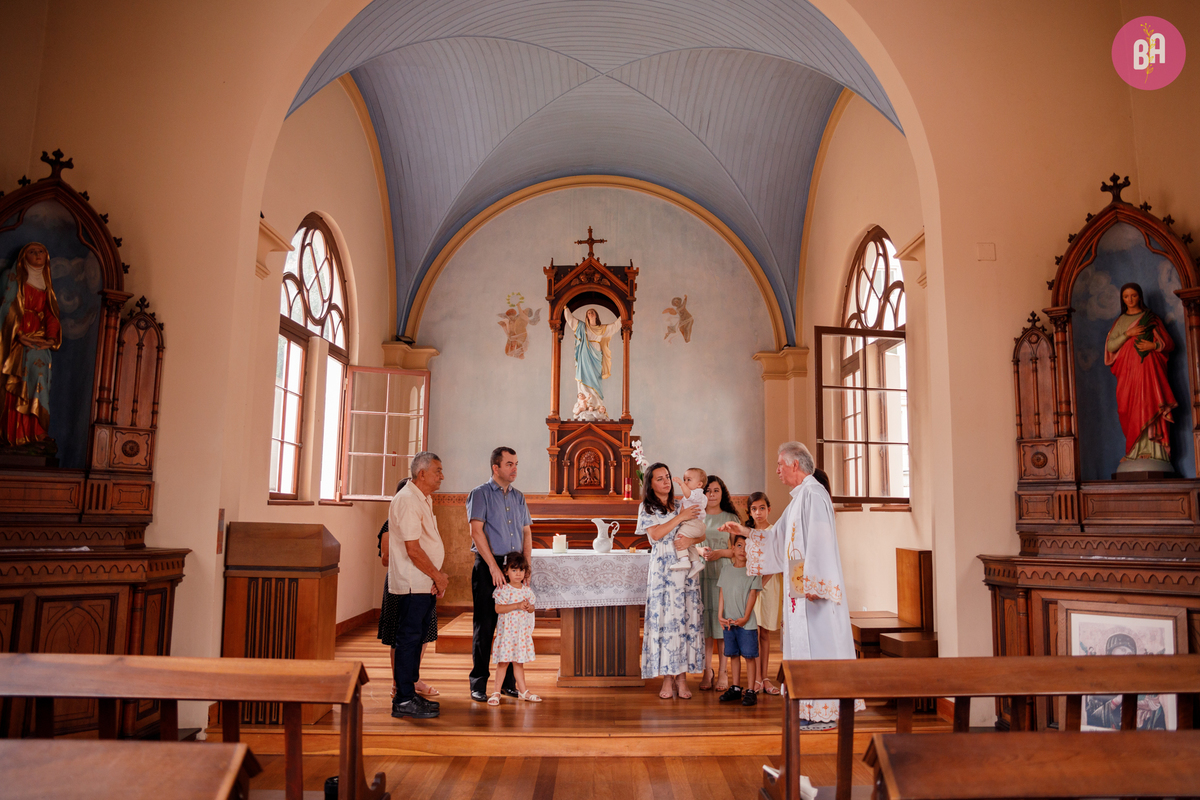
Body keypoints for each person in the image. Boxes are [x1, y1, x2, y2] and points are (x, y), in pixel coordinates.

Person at [723, 442, 860, 730]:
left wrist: (814, 582)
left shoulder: (814, 494)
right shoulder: (799, 497)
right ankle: (806, 707)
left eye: (780, 465)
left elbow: (821, 539)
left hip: (812, 587)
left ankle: (824, 709)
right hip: (799, 584)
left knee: (818, 643)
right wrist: (744, 531)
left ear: (794, 464)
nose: (777, 470)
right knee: (799, 642)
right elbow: (777, 538)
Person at [466, 446, 532, 703]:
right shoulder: (480, 494)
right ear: (496, 467)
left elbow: (526, 532)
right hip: (488, 566)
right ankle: (479, 683)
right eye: (509, 464)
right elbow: (476, 531)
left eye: (516, 464)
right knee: (485, 625)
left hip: (514, 567)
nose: (514, 469)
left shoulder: (519, 497)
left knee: (513, 625)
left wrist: (526, 567)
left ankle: (508, 684)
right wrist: (493, 566)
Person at [388, 452, 448, 719]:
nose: (442, 476)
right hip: (413, 583)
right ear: (421, 473)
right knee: (408, 640)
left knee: (416, 638)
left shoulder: (423, 498)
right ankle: (402, 699)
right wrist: (438, 576)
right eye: (438, 471)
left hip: (424, 582)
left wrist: (435, 577)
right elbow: (412, 549)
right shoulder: (407, 500)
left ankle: (410, 693)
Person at [638, 462, 704, 699]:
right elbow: (656, 534)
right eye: (660, 478)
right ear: (650, 484)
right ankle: (667, 678)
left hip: (685, 569)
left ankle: (682, 679)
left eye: (667, 476)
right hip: (663, 571)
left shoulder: (681, 503)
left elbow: (701, 532)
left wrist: (690, 541)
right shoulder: (647, 507)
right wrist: (680, 517)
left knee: (685, 621)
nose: (666, 481)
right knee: (667, 622)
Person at [376, 478, 439, 700]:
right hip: (403, 584)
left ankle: (413, 679)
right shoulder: (391, 523)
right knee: (401, 635)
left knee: (423, 635)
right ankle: (398, 683)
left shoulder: (421, 518)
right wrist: (410, 555)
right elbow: (386, 558)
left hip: (423, 582)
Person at [1105, 282, 1176, 470]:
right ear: (1122, 299)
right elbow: (1111, 346)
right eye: (1126, 296)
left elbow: (1169, 343)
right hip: (1127, 374)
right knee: (1127, 408)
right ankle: (1133, 451)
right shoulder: (1120, 321)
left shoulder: (1150, 318)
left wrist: (1153, 346)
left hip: (1148, 372)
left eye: (1133, 295)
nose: (1130, 300)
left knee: (1148, 403)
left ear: (1140, 296)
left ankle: (1153, 451)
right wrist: (1128, 334)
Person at [0, 242, 61, 450]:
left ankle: (37, 431)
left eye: (41, 251)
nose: (37, 255)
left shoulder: (46, 283)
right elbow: (4, 309)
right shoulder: (11, 277)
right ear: (23, 257)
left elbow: (51, 314)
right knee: (15, 383)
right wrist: (18, 334)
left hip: (39, 342)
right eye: (32, 252)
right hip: (14, 341)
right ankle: (13, 433)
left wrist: (50, 339)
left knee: (39, 378)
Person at [698, 474, 740, 691]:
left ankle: (723, 671)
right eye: (708, 491)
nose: (712, 494)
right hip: (701, 574)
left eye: (716, 490)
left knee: (722, 624)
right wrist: (700, 551)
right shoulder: (696, 516)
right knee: (705, 627)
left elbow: (738, 551)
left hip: (723, 574)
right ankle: (707, 671)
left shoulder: (731, 517)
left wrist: (720, 553)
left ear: (722, 493)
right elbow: (688, 544)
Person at [488, 553, 542, 705]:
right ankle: (496, 691)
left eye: (521, 570)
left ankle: (523, 691)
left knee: (519, 663)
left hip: (520, 634)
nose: (518, 573)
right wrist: (517, 605)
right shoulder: (503, 590)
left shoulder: (527, 591)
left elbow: (532, 609)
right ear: (506, 571)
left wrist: (529, 607)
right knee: (503, 663)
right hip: (507, 634)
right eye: (514, 570)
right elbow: (498, 608)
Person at [717, 533, 762, 706]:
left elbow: (752, 595)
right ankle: (735, 687)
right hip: (729, 622)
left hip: (746, 624)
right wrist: (720, 615)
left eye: (747, 547)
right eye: (739, 545)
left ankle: (750, 690)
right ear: (733, 549)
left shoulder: (753, 571)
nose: (743, 550)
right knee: (733, 654)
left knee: (749, 656)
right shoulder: (726, 570)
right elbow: (722, 593)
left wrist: (745, 618)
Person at [745, 492, 782, 696]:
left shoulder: (774, 531)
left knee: (765, 632)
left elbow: (777, 560)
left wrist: (761, 583)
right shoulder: (747, 532)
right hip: (751, 585)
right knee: (754, 631)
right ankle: (756, 678)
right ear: (749, 512)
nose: (758, 513)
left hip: (769, 585)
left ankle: (765, 677)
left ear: (769, 509)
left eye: (761, 508)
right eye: (754, 509)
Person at [563, 306, 620, 417]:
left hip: (596, 356)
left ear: (596, 315)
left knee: (596, 379)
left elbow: (614, 326)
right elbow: (571, 320)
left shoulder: (601, 329)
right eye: (588, 313)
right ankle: (585, 403)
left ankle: (597, 404)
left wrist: (623, 317)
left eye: (592, 312)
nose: (590, 314)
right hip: (584, 356)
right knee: (584, 377)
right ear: (587, 316)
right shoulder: (582, 327)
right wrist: (565, 308)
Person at [669, 468, 709, 577]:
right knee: (689, 544)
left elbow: (688, 495)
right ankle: (695, 562)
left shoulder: (697, 493)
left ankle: (684, 560)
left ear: (699, 484)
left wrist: (681, 484)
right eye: (684, 479)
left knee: (679, 537)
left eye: (688, 480)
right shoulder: (695, 496)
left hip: (693, 523)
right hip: (695, 524)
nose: (685, 482)